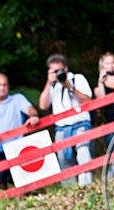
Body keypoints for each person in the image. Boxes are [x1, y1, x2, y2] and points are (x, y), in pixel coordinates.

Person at [0, 72, 40, 196]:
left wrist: (33, 116)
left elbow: (30, 109)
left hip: (16, 148)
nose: (2, 88)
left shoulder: (17, 99)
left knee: (24, 184)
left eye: (4, 84)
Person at [38, 53, 94, 186]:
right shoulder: (52, 85)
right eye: (54, 71)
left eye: (59, 70)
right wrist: (48, 82)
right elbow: (43, 105)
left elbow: (87, 100)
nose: (58, 74)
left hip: (80, 123)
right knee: (64, 160)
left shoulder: (77, 78)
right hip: (62, 127)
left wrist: (70, 87)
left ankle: (87, 187)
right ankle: (71, 191)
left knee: (83, 153)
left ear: (66, 69)